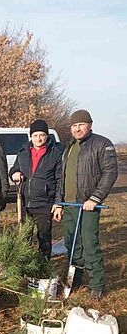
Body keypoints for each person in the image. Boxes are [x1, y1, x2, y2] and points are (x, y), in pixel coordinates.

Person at [54, 109, 118, 299]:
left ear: (89, 125)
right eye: (74, 125)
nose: (77, 128)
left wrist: (95, 198)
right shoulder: (70, 147)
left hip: (88, 206)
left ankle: (97, 285)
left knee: (90, 245)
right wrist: (58, 203)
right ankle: (75, 280)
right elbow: (61, 178)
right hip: (69, 206)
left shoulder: (101, 144)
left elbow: (110, 173)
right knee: (72, 245)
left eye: (81, 124)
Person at [9, 119, 63, 259]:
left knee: (44, 237)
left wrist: (58, 203)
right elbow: (14, 168)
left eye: (42, 135)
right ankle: (25, 267)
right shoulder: (23, 152)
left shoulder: (55, 154)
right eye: (35, 135)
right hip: (25, 203)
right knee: (24, 237)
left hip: (44, 203)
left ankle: (43, 266)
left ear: (46, 136)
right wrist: (14, 173)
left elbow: (59, 180)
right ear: (30, 136)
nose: (38, 138)